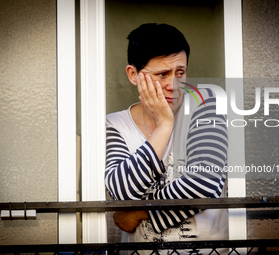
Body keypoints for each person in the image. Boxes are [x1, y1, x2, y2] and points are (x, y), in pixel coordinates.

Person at [105, 23, 228, 254]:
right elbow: (121, 193)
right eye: (162, 74)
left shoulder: (206, 103)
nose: (174, 85)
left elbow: (204, 183)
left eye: (180, 73)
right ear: (133, 75)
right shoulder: (115, 124)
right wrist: (164, 125)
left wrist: (139, 212)